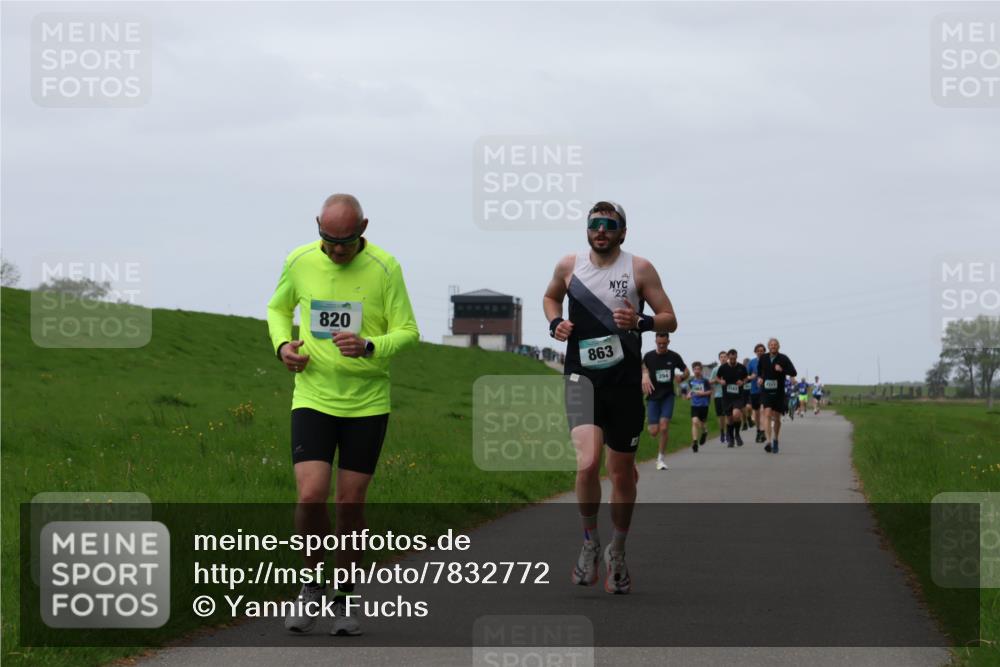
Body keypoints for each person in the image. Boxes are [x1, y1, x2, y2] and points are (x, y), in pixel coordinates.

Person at [267, 194, 420, 635]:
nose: (337, 250)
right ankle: (311, 585)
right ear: (318, 226)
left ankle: (346, 595)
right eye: (329, 240)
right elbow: (278, 307)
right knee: (311, 496)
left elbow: (408, 331)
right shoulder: (298, 260)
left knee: (349, 504)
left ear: (364, 228)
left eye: (346, 242)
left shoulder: (385, 267)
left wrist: (371, 346)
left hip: (367, 402)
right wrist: (282, 346)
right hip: (313, 397)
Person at [544, 200, 677, 595]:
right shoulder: (569, 266)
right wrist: (555, 322)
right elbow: (550, 297)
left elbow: (670, 316)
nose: (601, 230)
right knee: (586, 465)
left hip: (622, 385)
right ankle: (590, 542)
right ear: (587, 230)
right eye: (594, 224)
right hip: (581, 380)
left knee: (620, 473)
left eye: (609, 224)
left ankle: (617, 550)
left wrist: (642, 321)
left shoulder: (639, 268)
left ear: (622, 232)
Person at [641, 332, 689, 470]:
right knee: (653, 431)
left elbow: (686, 371)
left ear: (668, 341)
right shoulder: (649, 356)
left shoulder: (674, 356)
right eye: (659, 343)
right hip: (653, 396)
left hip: (668, 395)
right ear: (655, 341)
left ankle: (660, 458)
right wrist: (644, 375)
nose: (661, 345)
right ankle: (650, 420)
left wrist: (682, 377)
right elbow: (643, 367)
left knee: (664, 426)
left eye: (664, 343)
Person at [757, 338, 798, 454]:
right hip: (766, 390)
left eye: (775, 345)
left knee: (777, 417)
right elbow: (759, 370)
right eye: (771, 345)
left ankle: (776, 439)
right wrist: (760, 378)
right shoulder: (764, 358)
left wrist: (782, 369)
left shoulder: (783, 358)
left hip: (779, 392)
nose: (773, 346)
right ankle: (768, 442)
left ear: (778, 346)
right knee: (767, 413)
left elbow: (794, 372)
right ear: (768, 347)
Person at [714, 349, 749, 447]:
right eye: (731, 358)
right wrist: (720, 381)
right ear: (728, 357)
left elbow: (746, 378)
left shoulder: (741, 367)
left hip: (738, 396)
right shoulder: (723, 367)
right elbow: (717, 377)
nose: (733, 360)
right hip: (726, 397)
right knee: (729, 419)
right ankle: (731, 438)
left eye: (734, 358)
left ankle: (737, 434)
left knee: (736, 415)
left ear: (737, 357)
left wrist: (743, 382)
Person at [684, 362, 712, 452]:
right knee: (695, 421)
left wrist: (702, 393)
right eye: (695, 369)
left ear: (701, 370)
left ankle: (704, 432)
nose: (697, 371)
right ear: (693, 370)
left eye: (698, 369)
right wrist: (688, 395)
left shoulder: (705, 381)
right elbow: (691, 391)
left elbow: (710, 391)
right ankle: (695, 442)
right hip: (694, 405)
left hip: (704, 405)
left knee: (702, 424)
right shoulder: (690, 381)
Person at [748, 343, 766, 443]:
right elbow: (746, 376)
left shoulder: (768, 361)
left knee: (763, 411)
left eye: (762, 350)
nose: (760, 352)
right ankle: (758, 430)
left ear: (764, 351)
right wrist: (751, 377)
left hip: (765, 390)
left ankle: (763, 431)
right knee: (757, 413)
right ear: (755, 352)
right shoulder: (751, 363)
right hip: (754, 390)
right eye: (758, 351)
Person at [709, 351, 728, 444]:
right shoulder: (715, 369)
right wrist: (718, 381)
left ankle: (729, 433)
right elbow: (710, 382)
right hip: (718, 395)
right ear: (719, 359)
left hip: (729, 396)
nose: (723, 358)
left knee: (728, 415)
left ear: (727, 358)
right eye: (721, 357)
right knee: (720, 416)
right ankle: (722, 432)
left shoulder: (730, 368)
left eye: (725, 357)